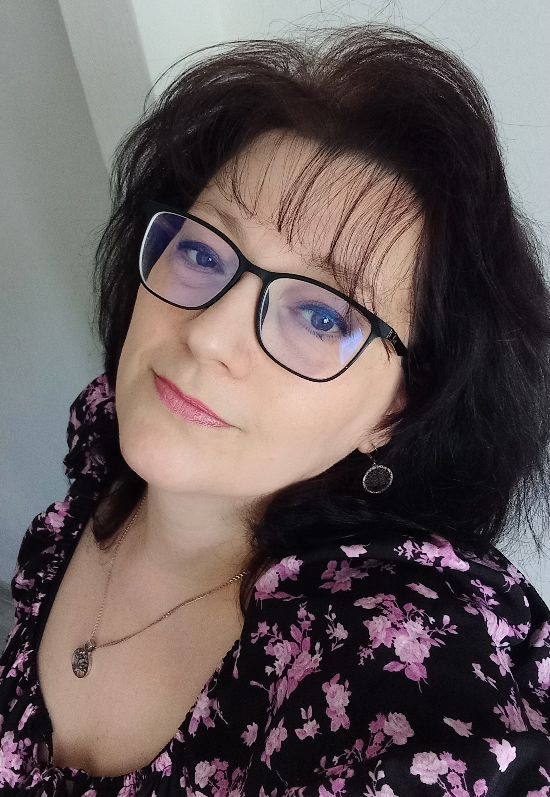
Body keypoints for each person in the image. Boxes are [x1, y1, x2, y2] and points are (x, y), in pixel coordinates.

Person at [1, 22, 549, 797]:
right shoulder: (105, 439)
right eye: (202, 251)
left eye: (321, 316)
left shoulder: (400, 645)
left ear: (396, 410)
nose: (207, 335)